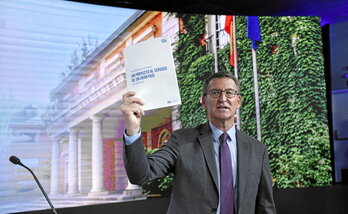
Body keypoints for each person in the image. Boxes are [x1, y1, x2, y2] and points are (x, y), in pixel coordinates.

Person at [120, 71, 276, 214]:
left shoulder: (257, 149)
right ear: (204, 101)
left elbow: (265, 206)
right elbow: (140, 175)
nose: (223, 99)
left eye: (229, 93)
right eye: (215, 93)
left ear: (238, 101)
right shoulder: (181, 141)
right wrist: (132, 129)